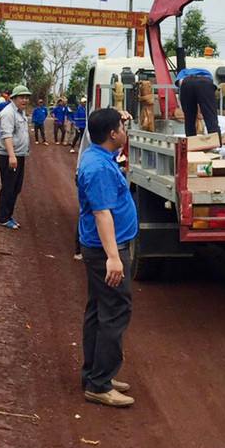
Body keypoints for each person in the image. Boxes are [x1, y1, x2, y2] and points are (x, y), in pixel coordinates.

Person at [77, 107, 137, 408]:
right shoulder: (99, 168)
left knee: (98, 310)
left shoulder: (96, 154)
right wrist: (114, 257)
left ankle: (95, 373)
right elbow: (102, 214)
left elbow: (107, 129)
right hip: (105, 250)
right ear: (112, 134)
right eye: (121, 128)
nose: (125, 131)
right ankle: (99, 384)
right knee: (114, 311)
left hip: (99, 248)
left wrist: (120, 117)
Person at [0, 84, 31, 229]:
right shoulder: (8, 113)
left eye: (27, 97)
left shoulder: (20, 112)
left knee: (16, 188)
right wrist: (11, 156)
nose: (25, 100)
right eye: (22, 97)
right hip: (9, 156)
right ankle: (2, 217)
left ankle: (8, 215)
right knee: (8, 187)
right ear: (14, 98)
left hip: (19, 155)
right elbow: (6, 135)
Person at [176, 67, 221, 142]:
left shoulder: (183, 72)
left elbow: (180, 82)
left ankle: (191, 143)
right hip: (204, 82)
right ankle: (216, 143)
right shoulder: (207, 72)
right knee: (210, 115)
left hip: (186, 82)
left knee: (189, 117)